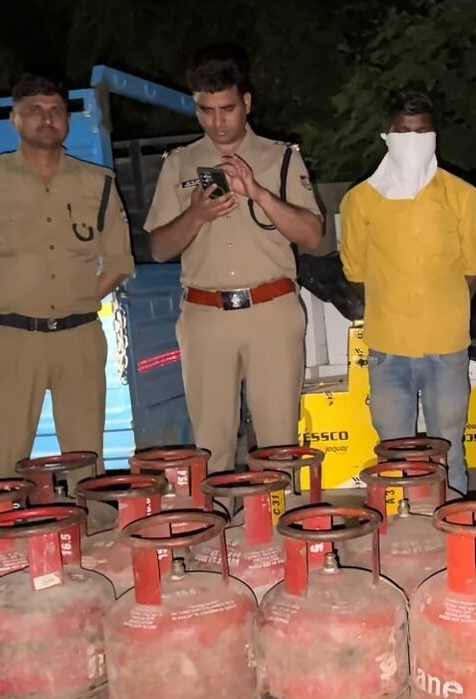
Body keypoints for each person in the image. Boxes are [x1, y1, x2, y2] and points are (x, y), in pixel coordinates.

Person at [144, 43, 324, 474]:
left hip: (270, 312)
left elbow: (313, 236)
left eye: (227, 109)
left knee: (279, 445)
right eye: (206, 111)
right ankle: (219, 517)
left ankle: (279, 517)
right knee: (211, 448)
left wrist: (259, 193)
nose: (217, 122)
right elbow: (160, 248)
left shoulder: (281, 158)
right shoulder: (180, 164)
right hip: (205, 315)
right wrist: (196, 214)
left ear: (246, 103)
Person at [0, 73, 134, 478]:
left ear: (67, 120)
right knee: (6, 464)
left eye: (55, 110)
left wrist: (81, 301)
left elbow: (119, 262)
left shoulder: (97, 183)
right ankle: (7, 520)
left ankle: (90, 519)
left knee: (87, 464)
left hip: (79, 339)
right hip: (11, 339)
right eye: (34, 110)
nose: (46, 118)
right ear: (14, 119)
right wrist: (10, 301)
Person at [340, 90, 476, 495]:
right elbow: (355, 272)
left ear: (435, 137)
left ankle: (452, 526)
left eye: (422, 132)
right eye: (404, 132)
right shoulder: (360, 201)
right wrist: (393, 305)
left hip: (447, 348)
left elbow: (473, 269)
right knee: (395, 456)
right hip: (388, 349)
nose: (413, 141)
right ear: (388, 136)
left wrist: (443, 309)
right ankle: (402, 528)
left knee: (449, 451)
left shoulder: (462, 196)